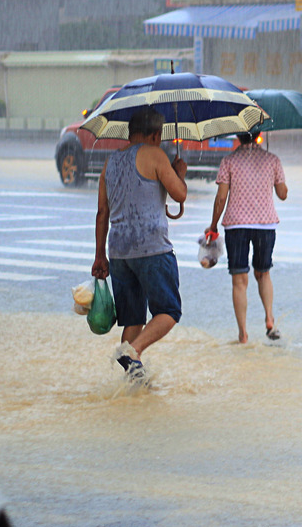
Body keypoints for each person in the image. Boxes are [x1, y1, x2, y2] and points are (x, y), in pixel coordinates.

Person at [92, 107, 187, 383]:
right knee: (169, 311)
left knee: (133, 319)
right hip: (153, 248)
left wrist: (100, 256)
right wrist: (179, 171)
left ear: (130, 133)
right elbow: (179, 193)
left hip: (119, 253)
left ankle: (134, 384)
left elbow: (102, 212)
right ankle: (134, 351)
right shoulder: (155, 154)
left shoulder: (111, 162)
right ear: (155, 135)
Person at [207, 130, 288, 344]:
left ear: (238, 136)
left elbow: (221, 196)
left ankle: (243, 334)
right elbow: (283, 194)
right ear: (260, 134)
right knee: (263, 273)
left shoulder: (229, 161)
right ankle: (269, 318)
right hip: (265, 224)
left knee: (239, 280)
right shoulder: (272, 160)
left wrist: (213, 224)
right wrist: (275, 178)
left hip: (236, 225)